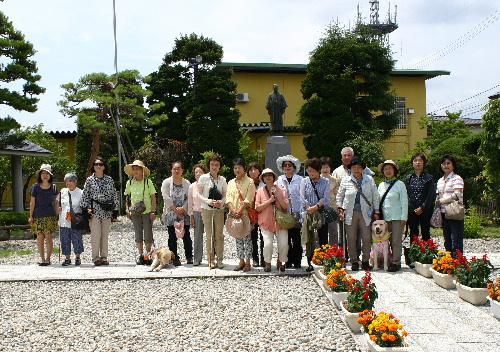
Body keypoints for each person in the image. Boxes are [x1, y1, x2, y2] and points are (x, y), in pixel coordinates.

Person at [336, 158, 380, 271]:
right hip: (350, 213)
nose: (356, 169)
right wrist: (340, 208)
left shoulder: (369, 179)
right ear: (350, 168)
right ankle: (354, 261)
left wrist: (377, 210)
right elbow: (340, 196)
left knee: (366, 238)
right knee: (351, 238)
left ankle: (365, 260)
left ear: (363, 169)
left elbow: (375, 195)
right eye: (354, 167)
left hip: (366, 213)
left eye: (359, 167)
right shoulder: (346, 180)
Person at [80, 156, 119, 266]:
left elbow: (114, 195)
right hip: (94, 211)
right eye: (96, 164)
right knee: (95, 235)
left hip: (107, 211)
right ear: (93, 166)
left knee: (105, 235)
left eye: (100, 164)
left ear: (104, 166)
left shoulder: (109, 180)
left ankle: (104, 257)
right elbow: (85, 196)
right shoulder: (89, 180)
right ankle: (95, 258)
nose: (98, 166)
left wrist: (115, 211)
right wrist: (86, 208)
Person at [255, 168, 289, 272]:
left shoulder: (281, 190)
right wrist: (270, 201)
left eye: (270, 175)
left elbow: (285, 207)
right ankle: (267, 263)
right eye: (265, 176)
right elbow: (257, 208)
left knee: (283, 244)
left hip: (280, 222)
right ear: (263, 179)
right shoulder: (260, 191)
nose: (268, 177)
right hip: (266, 222)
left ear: (274, 177)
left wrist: (278, 195)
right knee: (268, 244)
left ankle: (281, 261)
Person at [124, 160, 157, 266]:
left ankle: (148, 256)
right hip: (134, 212)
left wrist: (153, 211)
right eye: (134, 169)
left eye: (137, 169)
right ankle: (141, 255)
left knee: (148, 234)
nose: (135, 171)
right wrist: (127, 210)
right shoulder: (129, 183)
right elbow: (127, 197)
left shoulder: (148, 182)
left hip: (147, 212)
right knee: (138, 234)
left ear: (142, 170)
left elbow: (153, 197)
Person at [300, 158, 331, 272]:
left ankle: (324, 262)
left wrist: (316, 207)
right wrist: (308, 208)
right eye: (309, 171)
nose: (311, 173)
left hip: (321, 212)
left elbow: (326, 198)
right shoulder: (304, 181)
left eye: (313, 170)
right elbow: (302, 197)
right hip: (308, 213)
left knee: (323, 238)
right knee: (309, 238)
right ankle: (310, 262)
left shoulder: (326, 181)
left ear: (318, 170)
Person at [378, 160, 408, 272]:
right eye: (385, 169)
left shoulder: (400, 184)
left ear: (394, 170)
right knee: (385, 241)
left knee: (396, 241)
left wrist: (404, 217)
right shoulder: (381, 185)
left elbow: (404, 202)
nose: (388, 171)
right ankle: (388, 260)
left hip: (397, 217)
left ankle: (396, 262)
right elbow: (378, 201)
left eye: (390, 168)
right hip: (384, 218)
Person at [226, 158, 256, 272]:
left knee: (247, 239)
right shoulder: (231, 182)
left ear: (244, 168)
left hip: (245, 214)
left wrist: (240, 210)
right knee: (238, 237)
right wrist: (233, 210)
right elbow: (228, 198)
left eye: (239, 167)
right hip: (234, 214)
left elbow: (249, 198)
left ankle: (248, 262)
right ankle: (241, 261)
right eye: (235, 167)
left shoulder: (250, 182)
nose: (237, 169)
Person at [198, 154, 227, 269]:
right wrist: (208, 201)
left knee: (219, 235)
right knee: (209, 235)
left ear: (220, 167)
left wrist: (222, 202)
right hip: (207, 210)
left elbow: (225, 195)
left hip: (219, 210)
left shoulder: (223, 179)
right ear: (209, 165)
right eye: (212, 164)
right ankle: (211, 259)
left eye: (216, 165)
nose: (214, 167)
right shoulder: (203, 178)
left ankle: (220, 259)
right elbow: (198, 194)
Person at [161, 161, 192, 266]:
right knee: (172, 237)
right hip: (171, 213)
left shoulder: (187, 183)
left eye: (179, 168)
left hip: (184, 213)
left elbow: (190, 198)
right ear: (171, 170)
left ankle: (189, 257)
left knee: (186, 235)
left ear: (182, 170)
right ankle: (174, 258)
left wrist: (183, 208)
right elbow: (166, 197)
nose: (177, 170)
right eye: (174, 168)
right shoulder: (166, 182)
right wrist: (175, 210)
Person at [276, 155, 303, 269]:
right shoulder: (279, 180)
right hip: (285, 213)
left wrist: (303, 213)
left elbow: (302, 196)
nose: (287, 167)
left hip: (297, 213)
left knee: (296, 239)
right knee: (286, 239)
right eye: (285, 165)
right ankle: (288, 260)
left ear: (294, 167)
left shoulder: (300, 180)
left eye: (289, 165)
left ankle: (297, 260)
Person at [29, 164, 58, 266]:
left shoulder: (54, 187)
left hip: (50, 216)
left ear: (50, 175)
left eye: (47, 173)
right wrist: (30, 216)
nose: (45, 175)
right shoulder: (35, 187)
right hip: (38, 215)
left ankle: (48, 259)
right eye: (43, 173)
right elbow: (32, 203)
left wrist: (58, 214)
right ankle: (42, 259)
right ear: (40, 175)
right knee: (40, 237)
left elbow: (56, 202)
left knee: (48, 237)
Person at [436, 154, 464, 256]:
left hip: (454, 212)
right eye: (443, 163)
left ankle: (458, 263)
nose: (446, 165)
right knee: (447, 240)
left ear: (453, 165)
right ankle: (448, 263)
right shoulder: (439, 181)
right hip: (443, 213)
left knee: (456, 240)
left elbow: (457, 195)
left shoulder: (457, 178)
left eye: (448, 163)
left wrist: (442, 201)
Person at [405, 153, 435, 242]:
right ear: (412, 163)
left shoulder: (429, 178)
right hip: (412, 210)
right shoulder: (408, 178)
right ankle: (414, 254)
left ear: (424, 163)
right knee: (413, 233)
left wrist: (422, 207)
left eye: (420, 160)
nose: (418, 162)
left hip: (425, 210)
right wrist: (413, 208)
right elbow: (406, 195)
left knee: (425, 232)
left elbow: (431, 195)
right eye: (415, 160)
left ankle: (426, 254)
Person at [57, 172, 84, 266]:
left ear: (75, 181)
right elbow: (57, 202)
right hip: (64, 220)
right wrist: (58, 208)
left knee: (77, 239)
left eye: (70, 181)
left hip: (75, 220)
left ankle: (77, 257)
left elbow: (84, 206)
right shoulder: (63, 191)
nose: (68, 183)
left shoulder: (81, 192)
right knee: (65, 239)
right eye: (67, 181)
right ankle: (67, 258)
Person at [188, 163, 207, 266]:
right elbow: (190, 203)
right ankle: (197, 259)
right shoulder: (192, 186)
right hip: (196, 213)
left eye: (200, 172)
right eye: (196, 172)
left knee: (211, 236)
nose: (198, 174)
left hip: (208, 211)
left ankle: (212, 258)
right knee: (197, 236)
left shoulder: (208, 184)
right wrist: (191, 216)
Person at [247, 162, 264, 267]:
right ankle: (255, 258)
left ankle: (263, 259)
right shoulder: (247, 183)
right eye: (251, 170)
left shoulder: (264, 182)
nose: (253, 172)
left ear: (259, 171)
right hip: (251, 214)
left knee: (263, 237)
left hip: (263, 213)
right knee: (252, 237)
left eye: (255, 169)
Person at [320, 156, 340, 246]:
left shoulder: (334, 180)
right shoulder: (316, 180)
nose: (325, 169)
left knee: (333, 232)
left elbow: (337, 195)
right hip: (319, 209)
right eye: (323, 167)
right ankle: (319, 253)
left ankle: (333, 252)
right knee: (319, 233)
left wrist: (339, 208)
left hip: (332, 208)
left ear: (330, 168)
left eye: (327, 167)